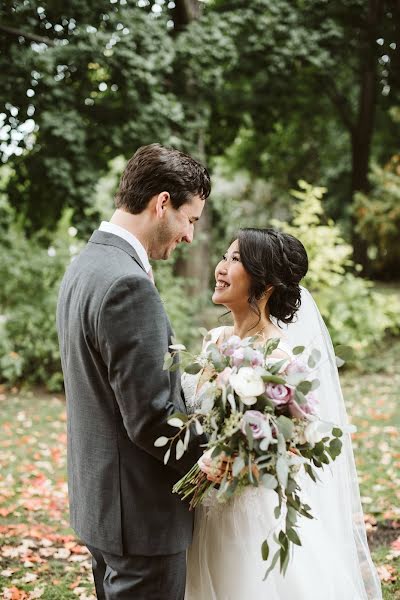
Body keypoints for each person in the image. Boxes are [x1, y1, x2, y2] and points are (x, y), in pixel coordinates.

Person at [184, 228, 382, 600]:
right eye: (224, 257)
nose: (220, 268)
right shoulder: (215, 341)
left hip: (252, 514)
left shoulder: (281, 359)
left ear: (266, 283)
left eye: (235, 260)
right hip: (205, 508)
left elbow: (294, 445)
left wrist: (237, 460)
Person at [56, 143, 211, 600]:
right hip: (141, 517)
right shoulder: (127, 283)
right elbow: (152, 418)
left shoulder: (85, 265)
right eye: (190, 219)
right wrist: (219, 460)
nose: (189, 236)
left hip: (102, 505)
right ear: (162, 203)